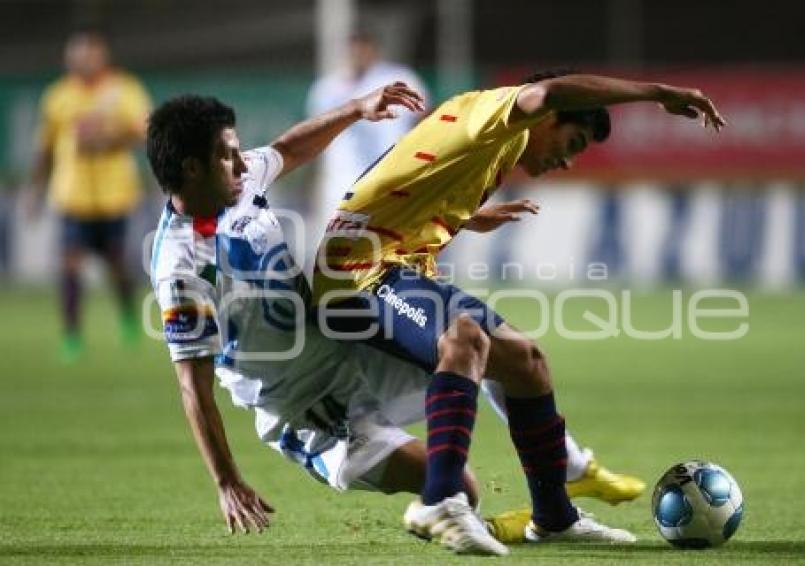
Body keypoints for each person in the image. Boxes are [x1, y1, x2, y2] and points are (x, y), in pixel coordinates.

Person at [145, 86, 638, 556]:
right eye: (227, 155)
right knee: (462, 486)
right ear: (191, 169)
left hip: (346, 346)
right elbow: (194, 385)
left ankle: (557, 510)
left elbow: (286, 149)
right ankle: (446, 501)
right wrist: (227, 480)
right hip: (307, 404)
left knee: (514, 356)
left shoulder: (237, 180)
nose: (241, 161)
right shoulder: (181, 267)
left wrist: (357, 108)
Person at [312, 70, 726, 555]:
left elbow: (402, 178)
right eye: (571, 142)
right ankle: (438, 499)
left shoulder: (493, 145)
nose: (568, 161)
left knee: (527, 363)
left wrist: (463, 215)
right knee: (463, 337)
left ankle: (554, 517)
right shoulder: (495, 114)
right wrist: (659, 91)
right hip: (356, 275)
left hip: (388, 269)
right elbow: (546, 92)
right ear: (546, 118)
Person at [29, 31, 151, 362]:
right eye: (75, 55)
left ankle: (127, 316)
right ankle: (71, 335)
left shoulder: (123, 89)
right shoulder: (58, 96)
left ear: (102, 55)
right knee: (70, 264)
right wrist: (35, 189)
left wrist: (108, 138)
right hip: (71, 194)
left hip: (114, 194)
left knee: (116, 265)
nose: (80, 60)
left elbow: (144, 131)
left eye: (88, 54)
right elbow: (45, 147)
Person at [305, 30, 429, 257]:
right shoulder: (326, 88)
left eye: (363, 46)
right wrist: (315, 183)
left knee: (394, 247)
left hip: (390, 179)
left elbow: (425, 122)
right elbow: (317, 138)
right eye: (353, 47)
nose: (357, 53)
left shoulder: (400, 79)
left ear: (373, 49)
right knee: (338, 253)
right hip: (341, 184)